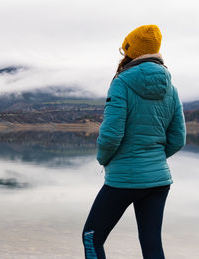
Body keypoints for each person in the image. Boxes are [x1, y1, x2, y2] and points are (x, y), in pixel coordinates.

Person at [82, 25, 186, 259]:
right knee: (151, 245)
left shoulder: (122, 83)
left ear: (131, 52)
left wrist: (103, 159)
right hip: (159, 180)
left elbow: (111, 134)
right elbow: (178, 138)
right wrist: (153, 159)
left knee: (91, 237)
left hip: (124, 179)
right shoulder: (172, 88)